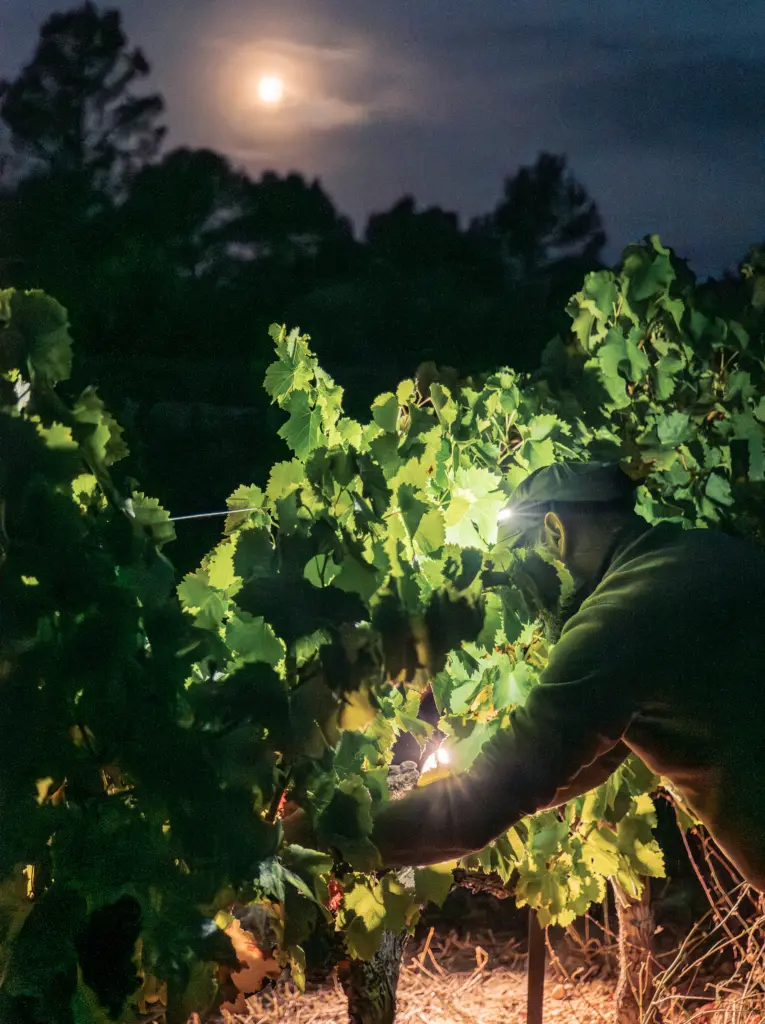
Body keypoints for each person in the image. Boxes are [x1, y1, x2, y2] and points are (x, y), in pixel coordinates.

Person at [285, 462, 765, 891]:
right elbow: (597, 756)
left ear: (555, 532)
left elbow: (478, 810)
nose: (527, 598)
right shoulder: (707, 552)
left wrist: (320, 836)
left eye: (522, 564)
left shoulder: (614, 624)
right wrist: (512, 784)